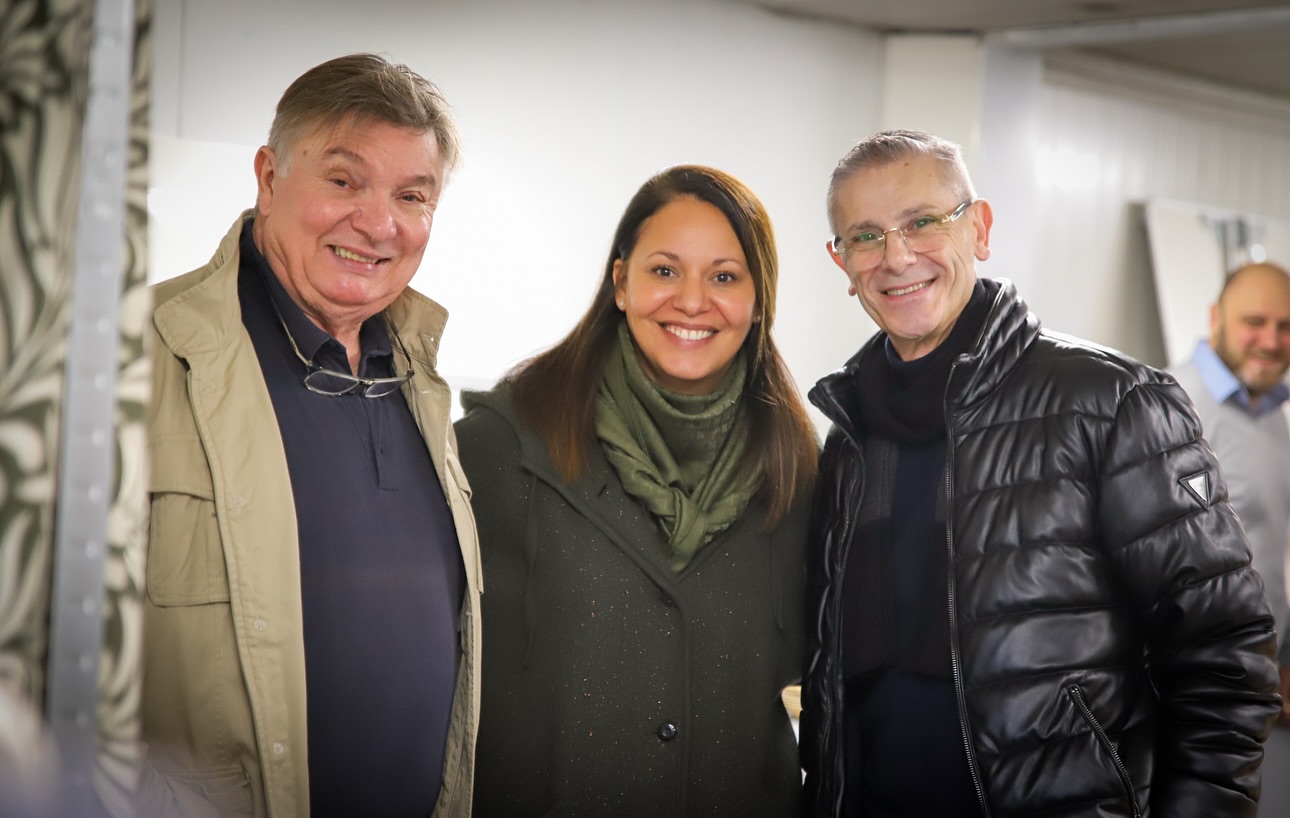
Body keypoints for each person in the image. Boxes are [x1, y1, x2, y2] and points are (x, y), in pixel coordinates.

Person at [799, 128, 1281, 818]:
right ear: (841, 262)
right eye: (866, 236)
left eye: (923, 222)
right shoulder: (848, 435)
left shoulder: (1111, 403)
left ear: (981, 228)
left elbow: (1223, 654)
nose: (897, 256)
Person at [139, 54, 480, 818]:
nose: (379, 222)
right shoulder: (132, 354)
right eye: (343, 180)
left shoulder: (424, 381)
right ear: (267, 176)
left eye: (412, 195)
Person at [455, 164, 819, 817]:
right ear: (621, 281)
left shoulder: (799, 475)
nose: (691, 301)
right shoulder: (495, 450)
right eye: (664, 270)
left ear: (759, 299)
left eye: (725, 277)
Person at [1168, 261, 1290, 817]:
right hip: (1199, 695)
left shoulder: (1271, 412)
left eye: (1286, 326)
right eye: (1255, 321)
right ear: (1215, 318)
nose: (1271, 340)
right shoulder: (1172, 406)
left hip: (1264, 685)